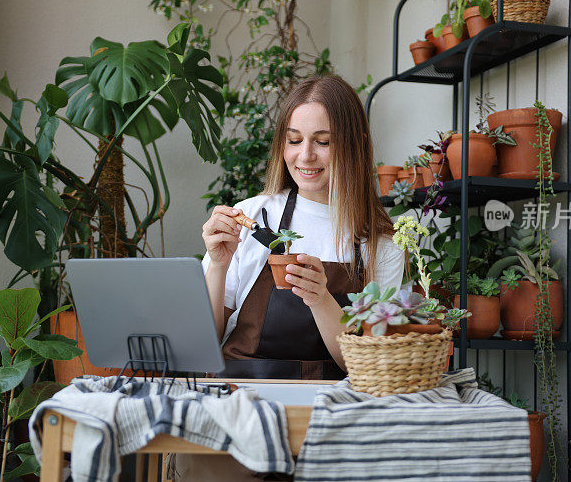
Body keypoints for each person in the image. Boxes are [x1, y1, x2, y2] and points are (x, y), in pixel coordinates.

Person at [173, 74, 404, 479]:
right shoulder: (255, 216)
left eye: (324, 141)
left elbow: (364, 366)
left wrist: (320, 299)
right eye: (294, 140)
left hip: (331, 413)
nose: (306, 156)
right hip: (240, 403)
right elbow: (201, 345)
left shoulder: (380, 245)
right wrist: (218, 263)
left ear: (354, 144)